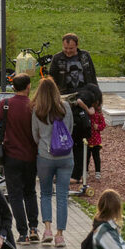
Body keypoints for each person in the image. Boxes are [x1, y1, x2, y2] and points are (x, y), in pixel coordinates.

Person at [0, 73, 38, 245]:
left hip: (11, 156)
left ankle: (23, 234)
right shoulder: (33, 106)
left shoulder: (6, 104)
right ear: (28, 86)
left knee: (15, 196)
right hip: (31, 156)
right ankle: (34, 228)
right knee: (30, 192)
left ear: (13, 88)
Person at [50, 33, 102, 185]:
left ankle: (77, 173)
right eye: (65, 48)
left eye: (71, 48)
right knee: (63, 136)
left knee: (80, 137)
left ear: (77, 46)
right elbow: (51, 81)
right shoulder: (57, 59)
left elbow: (92, 77)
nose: (68, 51)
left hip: (83, 99)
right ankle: (64, 169)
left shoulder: (85, 57)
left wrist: (97, 101)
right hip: (64, 100)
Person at [30, 77, 74, 247]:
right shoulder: (66, 107)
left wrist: (44, 144)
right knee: (62, 196)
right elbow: (70, 129)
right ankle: (60, 235)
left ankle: (47, 230)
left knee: (46, 194)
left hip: (45, 157)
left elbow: (35, 135)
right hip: (66, 157)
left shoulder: (37, 110)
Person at [88, 97, 106, 179]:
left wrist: (98, 127)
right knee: (86, 157)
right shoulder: (88, 113)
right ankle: (86, 171)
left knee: (96, 157)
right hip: (88, 140)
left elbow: (103, 125)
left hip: (96, 141)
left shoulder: (99, 115)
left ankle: (97, 172)